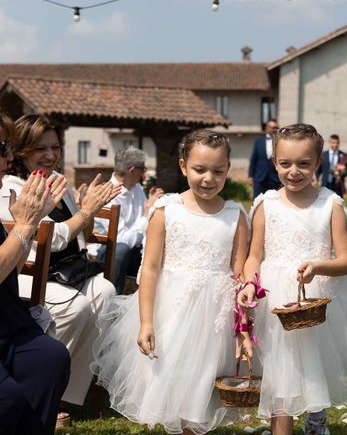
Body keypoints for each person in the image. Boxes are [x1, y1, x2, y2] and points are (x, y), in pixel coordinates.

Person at [237, 123, 347, 435]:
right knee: (281, 369)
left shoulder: (330, 204)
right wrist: (249, 282)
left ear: (318, 163)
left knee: (315, 362)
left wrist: (318, 267)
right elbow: (254, 254)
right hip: (274, 298)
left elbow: (346, 261)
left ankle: (315, 418)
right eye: (285, 164)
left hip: (317, 297)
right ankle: (281, 427)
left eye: (303, 164)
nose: (294, 171)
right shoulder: (264, 204)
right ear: (274, 162)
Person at [91, 129, 251, 435]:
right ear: (182, 166)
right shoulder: (167, 210)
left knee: (204, 388)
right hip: (172, 315)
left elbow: (240, 273)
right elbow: (150, 269)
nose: (208, 178)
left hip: (215, 319)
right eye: (199, 169)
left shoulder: (236, 215)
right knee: (175, 382)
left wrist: (243, 328)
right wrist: (146, 322)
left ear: (228, 169)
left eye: (218, 171)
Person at [0, 114, 119, 420]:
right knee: (76, 307)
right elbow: (49, 238)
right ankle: (50, 393)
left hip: (66, 272)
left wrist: (86, 208)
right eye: (41, 149)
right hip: (29, 272)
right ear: (22, 151)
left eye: (55, 147)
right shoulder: (12, 186)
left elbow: (79, 234)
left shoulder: (58, 184)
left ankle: (70, 394)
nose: (50, 156)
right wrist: (86, 212)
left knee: (106, 292)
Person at [0, 112, 70, 435]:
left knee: (50, 359)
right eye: (3, 149)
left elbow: (13, 265)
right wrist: (27, 226)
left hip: (8, 324)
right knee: (9, 399)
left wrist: (26, 229)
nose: (9, 159)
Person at [98, 147, 164, 294]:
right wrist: (147, 215)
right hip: (111, 254)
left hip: (135, 250)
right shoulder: (107, 194)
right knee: (121, 251)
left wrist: (154, 206)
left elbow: (144, 227)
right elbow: (121, 241)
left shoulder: (137, 189)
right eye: (143, 169)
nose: (144, 173)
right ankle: (113, 303)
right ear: (132, 170)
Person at [249, 119, 281, 198]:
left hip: (275, 177)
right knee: (257, 201)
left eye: (276, 128)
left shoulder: (281, 142)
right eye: (273, 127)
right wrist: (250, 175)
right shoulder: (258, 141)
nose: (275, 129)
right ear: (267, 128)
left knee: (276, 201)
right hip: (260, 177)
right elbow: (254, 159)